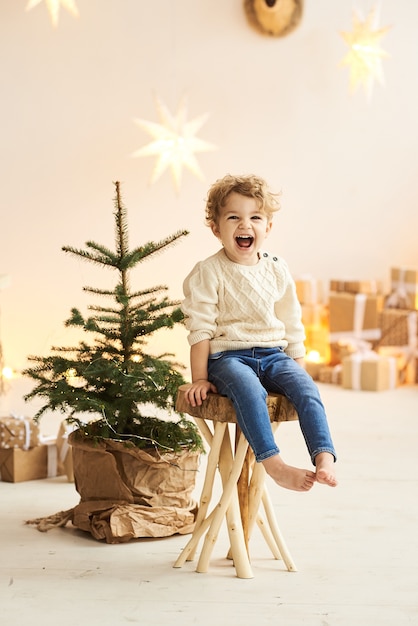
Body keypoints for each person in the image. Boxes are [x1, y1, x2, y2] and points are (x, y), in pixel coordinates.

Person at [181, 174, 337, 492]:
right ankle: (274, 464)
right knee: (251, 392)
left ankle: (324, 456)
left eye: (255, 217)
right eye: (234, 217)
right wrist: (200, 377)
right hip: (228, 358)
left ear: (267, 227)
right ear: (216, 227)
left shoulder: (277, 268)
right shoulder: (208, 272)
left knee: (308, 390)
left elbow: (291, 321)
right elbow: (200, 331)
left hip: (274, 354)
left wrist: (297, 367)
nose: (245, 225)